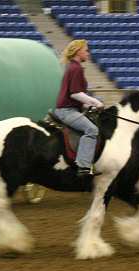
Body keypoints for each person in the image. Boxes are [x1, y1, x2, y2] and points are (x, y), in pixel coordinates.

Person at [54, 39, 104, 177]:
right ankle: (83, 166)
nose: (88, 53)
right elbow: (75, 93)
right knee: (92, 129)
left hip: (70, 109)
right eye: (86, 50)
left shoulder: (72, 67)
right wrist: (96, 103)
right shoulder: (75, 68)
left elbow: (76, 95)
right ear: (78, 51)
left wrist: (88, 104)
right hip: (66, 111)